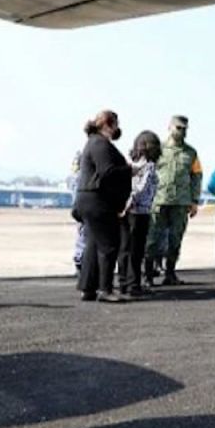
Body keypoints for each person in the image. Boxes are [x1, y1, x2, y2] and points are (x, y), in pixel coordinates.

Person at [75, 110, 132, 302]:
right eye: (115, 124)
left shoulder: (92, 142)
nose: (117, 128)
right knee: (109, 245)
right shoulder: (101, 144)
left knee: (93, 244)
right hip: (98, 201)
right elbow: (107, 172)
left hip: (87, 200)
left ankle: (87, 288)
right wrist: (129, 170)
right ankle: (105, 289)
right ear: (108, 124)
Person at [145, 115, 203, 286]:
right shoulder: (158, 149)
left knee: (175, 240)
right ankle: (148, 275)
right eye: (178, 128)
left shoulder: (191, 153)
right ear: (169, 127)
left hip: (180, 202)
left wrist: (194, 200)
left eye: (184, 129)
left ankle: (170, 273)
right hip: (159, 200)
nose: (181, 131)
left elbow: (197, 176)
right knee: (152, 239)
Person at [119, 130, 160, 296]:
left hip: (125, 211)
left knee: (124, 248)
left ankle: (123, 281)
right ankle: (134, 284)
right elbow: (142, 189)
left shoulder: (129, 164)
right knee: (136, 250)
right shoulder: (149, 166)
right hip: (140, 211)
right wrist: (133, 201)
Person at [68, 149, 86, 277]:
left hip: (77, 209)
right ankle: (81, 262)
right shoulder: (82, 177)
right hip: (84, 209)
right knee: (84, 236)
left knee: (80, 235)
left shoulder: (72, 177)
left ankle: (79, 262)